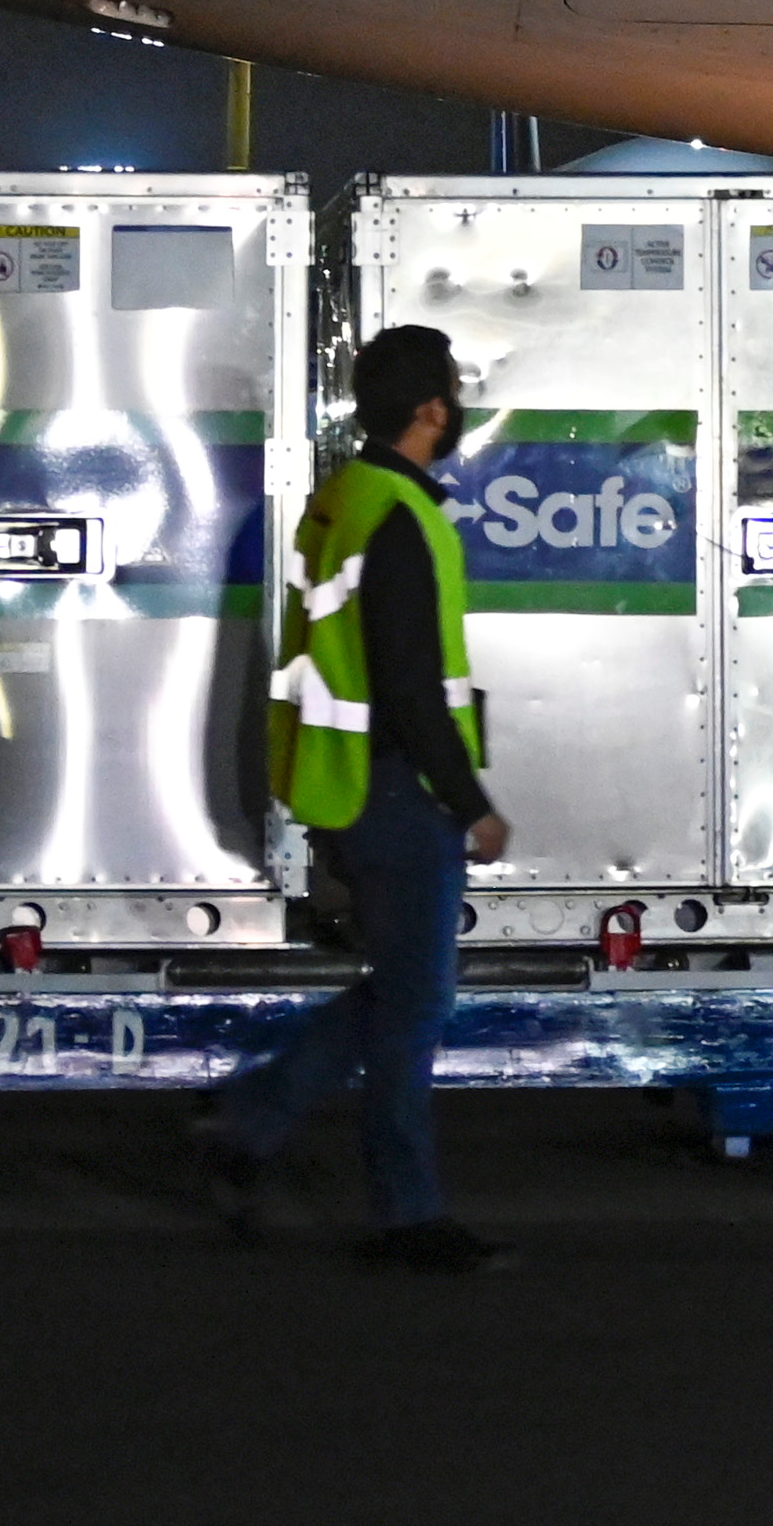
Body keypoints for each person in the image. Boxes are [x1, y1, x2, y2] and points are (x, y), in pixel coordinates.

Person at [205, 324, 516, 1271]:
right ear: (431, 410)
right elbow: (412, 686)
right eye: (451, 394)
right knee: (416, 1009)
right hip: (399, 793)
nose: (456, 408)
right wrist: (470, 803)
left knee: (402, 992)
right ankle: (407, 1215)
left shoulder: (344, 498)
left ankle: (253, 1118)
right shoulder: (401, 516)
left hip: (343, 783)